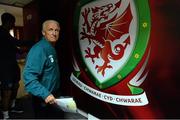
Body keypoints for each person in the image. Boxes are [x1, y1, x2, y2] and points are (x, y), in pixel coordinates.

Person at [23, 19, 64, 118]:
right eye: (50, 30)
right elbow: (29, 77)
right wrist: (45, 94)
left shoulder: (51, 47)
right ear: (43, 32)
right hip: (44, 99)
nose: (54, 33)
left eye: (57, 30)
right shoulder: (39, 49)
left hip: (54, 95)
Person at [0, 12, 24, 119]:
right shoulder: (1, 32)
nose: (13, 25)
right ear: (8, 22)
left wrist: (21, 51)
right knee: (7, 91)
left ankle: (12, 106)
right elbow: (16, 42)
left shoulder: (7, 33)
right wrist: (34, 42)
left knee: (15, 85)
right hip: (5, 68)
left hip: (13, 66)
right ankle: (5, 115)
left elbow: (13, 47)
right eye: (12, 23)